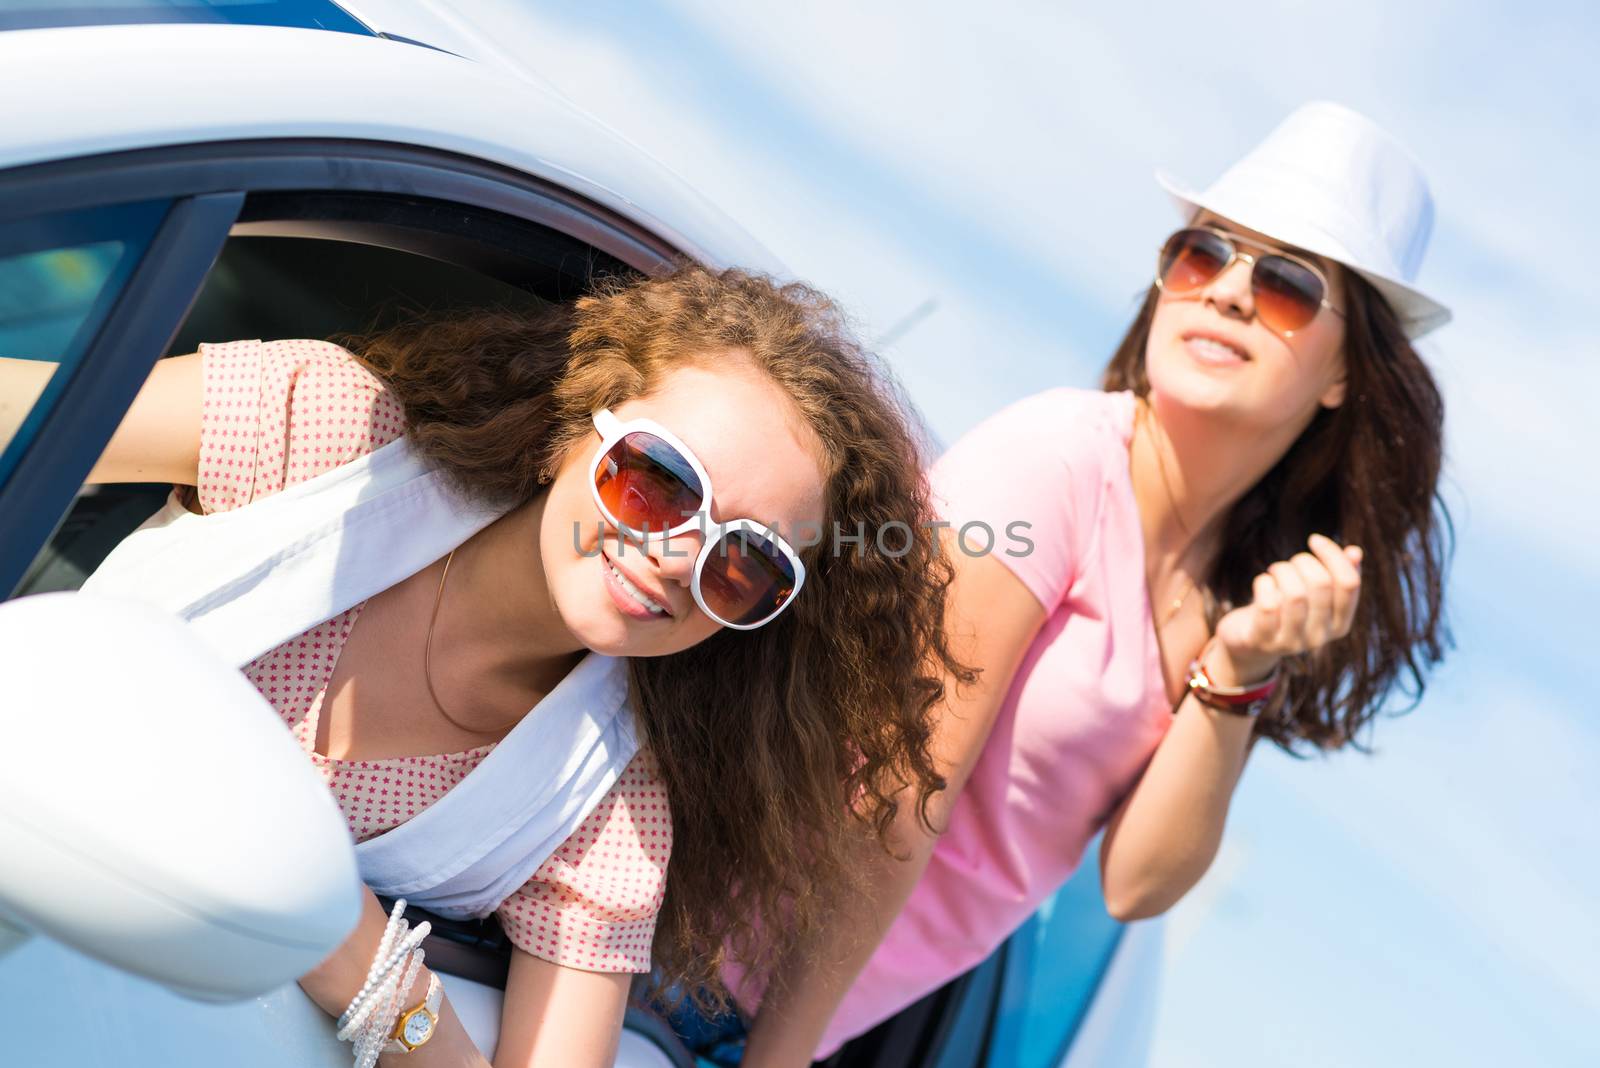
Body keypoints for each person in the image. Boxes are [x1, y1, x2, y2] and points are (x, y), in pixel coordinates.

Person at [60, 266, 966, 1066]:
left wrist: (376, 979)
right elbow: (28, 413)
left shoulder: (600, 808)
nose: (679, 557)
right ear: (576, 421)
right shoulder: (328, 430)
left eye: (744, 564)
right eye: (660, 482)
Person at [736, 101, 1454, 1065]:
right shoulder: (1060, 460)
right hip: (709, 978)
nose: (1229, 292)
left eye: (1286, 285)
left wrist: (1239, 669)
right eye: (1203, 256)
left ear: (1345, 378)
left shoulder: (1224, 602)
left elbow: (1136, 887)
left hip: (769, 1027)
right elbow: (897, 792)